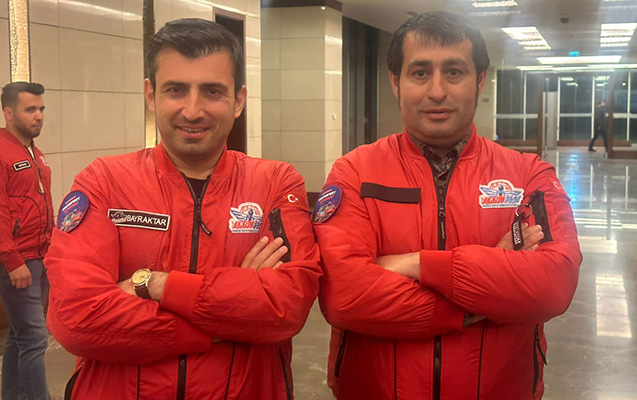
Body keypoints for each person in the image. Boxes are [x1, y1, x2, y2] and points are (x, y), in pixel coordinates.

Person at [44, 18, 321, 400]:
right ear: (151, 95)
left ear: (239, 100)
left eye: (212, 91)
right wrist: (231, 313)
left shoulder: (275, 182)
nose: (193, 111)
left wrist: (153, 284)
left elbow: (287, 306)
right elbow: (76, 317)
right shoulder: (103, 182)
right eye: (176, 90)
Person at [313, 11, 581, 400]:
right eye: (420, 73)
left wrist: (418, 264)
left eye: (454, 72)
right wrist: (483, 297)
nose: (437, 91)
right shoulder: (354, 172)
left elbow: (552, 286)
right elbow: (346, 296)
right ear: (395, 81)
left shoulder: (528, 175)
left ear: (480, 80)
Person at [0, 82, 52, 400]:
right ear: (9, 113)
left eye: (41, 109)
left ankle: (11, 395)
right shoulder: (2, 151)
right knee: (34, 339)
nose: (39, 116)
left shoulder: (34, 152)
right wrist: (12, 259)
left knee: (20, 337)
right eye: (30, 109)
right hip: (18, 261)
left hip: (40, 255)